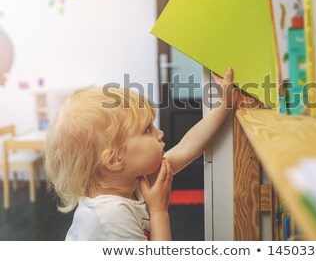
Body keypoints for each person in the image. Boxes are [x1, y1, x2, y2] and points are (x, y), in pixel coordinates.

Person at [45, 68, 236, 240]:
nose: (160, 133)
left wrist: (225, 105)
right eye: (147, 129)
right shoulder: (111, 216)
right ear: (114, 159)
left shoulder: (131, 179)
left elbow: (187, 148)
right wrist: (159, 211)